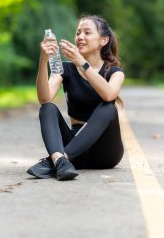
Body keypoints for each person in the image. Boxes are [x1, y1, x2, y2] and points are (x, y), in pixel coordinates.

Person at [27, 15, 125, 181]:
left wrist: (82, 63)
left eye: (87, 32)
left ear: (103, 40)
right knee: (47, 108)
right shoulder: (66, 69)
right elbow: (44, 98)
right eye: (78, 32)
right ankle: (60, 160)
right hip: (76, 152)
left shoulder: (114, 72)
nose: (80, 37)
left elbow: (109, 94)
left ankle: (57, 160)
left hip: (105, 153)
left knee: (109, 106)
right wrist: (43, 60)